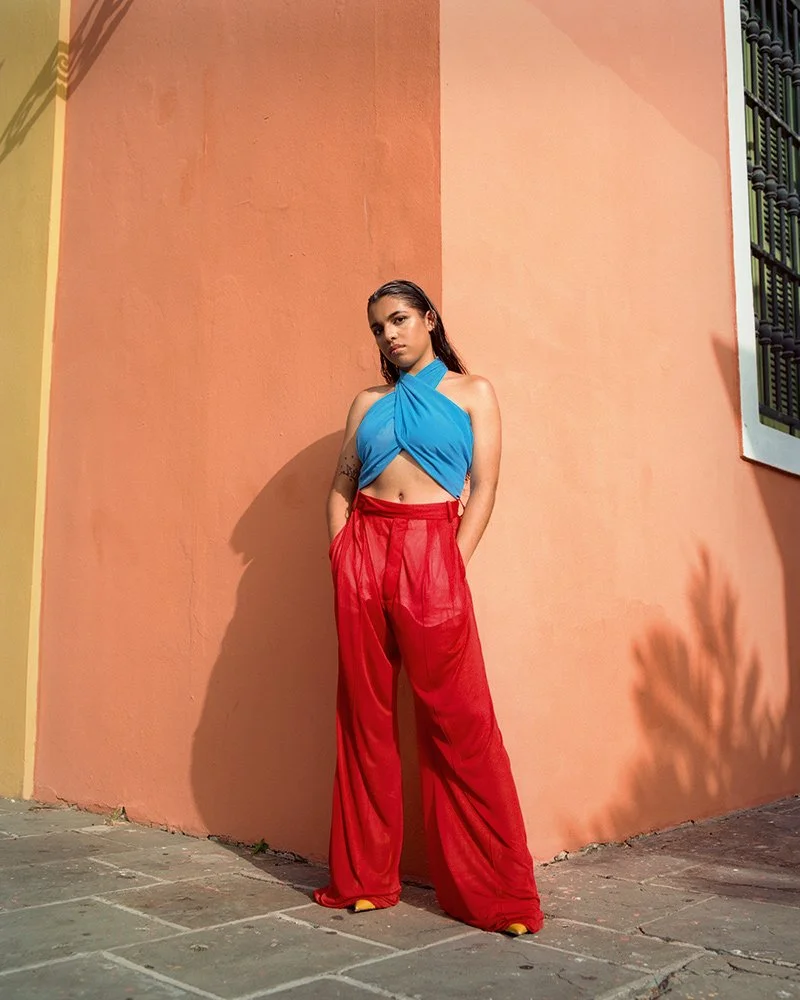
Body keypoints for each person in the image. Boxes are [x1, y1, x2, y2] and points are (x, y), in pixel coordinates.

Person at [313, 280, 544, 936]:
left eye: (400, 319)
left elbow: (487, 483)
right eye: (379, 327)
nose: (390, 335)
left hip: (433, 549)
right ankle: (364, 880)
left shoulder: (474, 392)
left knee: (461, 724)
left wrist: (453, 559)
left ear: (429, 319)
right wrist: (340, 550)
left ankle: (497, 896)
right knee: (364, 719)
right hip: (365, 549)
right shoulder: (367, 402)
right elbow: (341, 481)